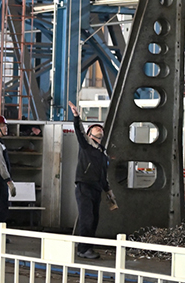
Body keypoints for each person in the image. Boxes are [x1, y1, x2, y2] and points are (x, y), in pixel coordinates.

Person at [68, 101, 117, 260]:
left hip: (96, 189)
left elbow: (103, 175)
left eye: (100, 128)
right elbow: (80, 132)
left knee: (94, 220)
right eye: (95, 129)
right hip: (84, 187)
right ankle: (83, 249)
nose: (99, 129)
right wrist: (77, 117)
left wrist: (109, 193)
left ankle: (87, 247)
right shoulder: (87, 146)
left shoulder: (103, 154)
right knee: (87, 218)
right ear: (90, 135)